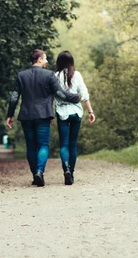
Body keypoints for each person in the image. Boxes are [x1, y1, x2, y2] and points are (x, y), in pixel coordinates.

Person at [6, 49, 80, 187]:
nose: (46, 61)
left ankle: (36, 176)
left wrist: (10, 115)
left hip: (26, 116)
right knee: (43, 145)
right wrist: (75, 98)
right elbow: (60, 94)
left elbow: (14, 97)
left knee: (31, 147)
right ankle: (40, 171)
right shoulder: (49, 75)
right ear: (39, 60)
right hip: (43, 116)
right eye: (45, 59)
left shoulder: (21, 75)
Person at [54, 51, 95, 185]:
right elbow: (84, 95)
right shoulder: (77, 75)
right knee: (73, 144)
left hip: (62, 113)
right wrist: (90, 111)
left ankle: (65, 168)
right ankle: (71, 172)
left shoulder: (55, 76)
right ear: (71, 61)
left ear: (58, 62)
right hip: (76, 113)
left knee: (64, 144)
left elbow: (51, 97)